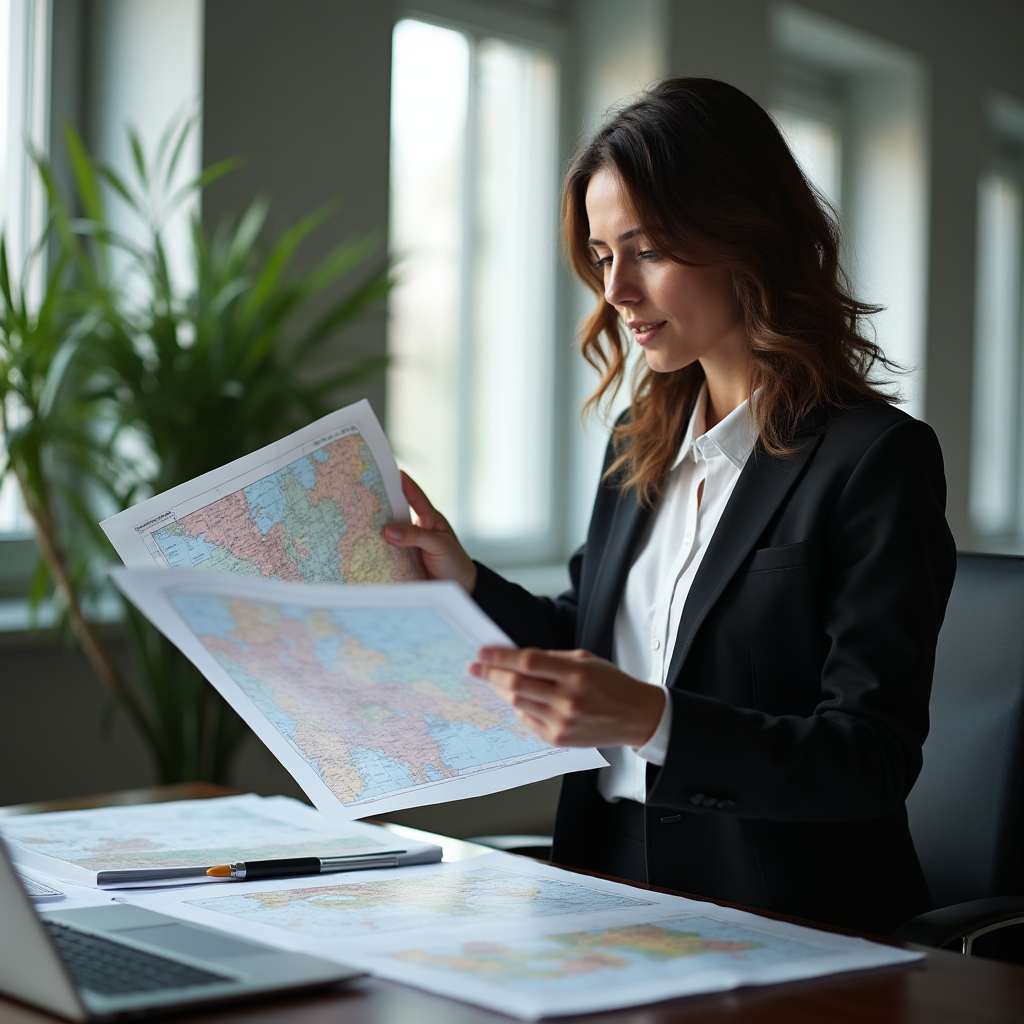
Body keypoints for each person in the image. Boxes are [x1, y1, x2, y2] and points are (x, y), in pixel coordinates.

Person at [384, 77, 956, 936]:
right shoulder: (637, 440)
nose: (615, 292)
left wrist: (657, 721)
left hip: (786, 914)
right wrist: (465, 581)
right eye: (603, 255)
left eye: (645, 250)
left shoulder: (874, 458)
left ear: (745, 237)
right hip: (604, 887)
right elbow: (592, 641)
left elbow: (867, 758)